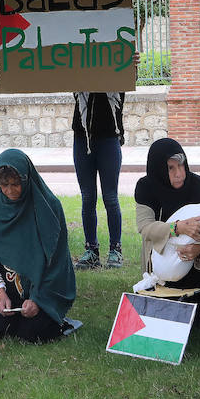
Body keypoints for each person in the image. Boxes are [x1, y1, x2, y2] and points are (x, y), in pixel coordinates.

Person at [133, 137, 200, 336]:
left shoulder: (199, 185)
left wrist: (199, 249)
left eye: (181, 166)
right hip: (161, 254)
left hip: (198, 254)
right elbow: (145, 227)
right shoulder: (146, 186)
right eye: (171, 168)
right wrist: (176, 228)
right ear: (159, 169)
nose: (179, 174)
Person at [0, 149, 76, 342]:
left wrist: (38, 301)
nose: (10, 191)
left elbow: (57, 261)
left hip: (45, 287)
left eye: (16, 184)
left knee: (31, 333)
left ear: (27, 179)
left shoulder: (49, 207)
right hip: (9, 286)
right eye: (4, 185)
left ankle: (54, 316)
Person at [71, 92, 125, 269]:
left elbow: (127, 78)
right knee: (87, 197)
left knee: (110, 197)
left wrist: (133, 64)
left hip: (109, 136)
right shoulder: (80, 68)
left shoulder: (114, 68)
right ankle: (91, 251)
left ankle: (115, 250)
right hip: (82, 137)